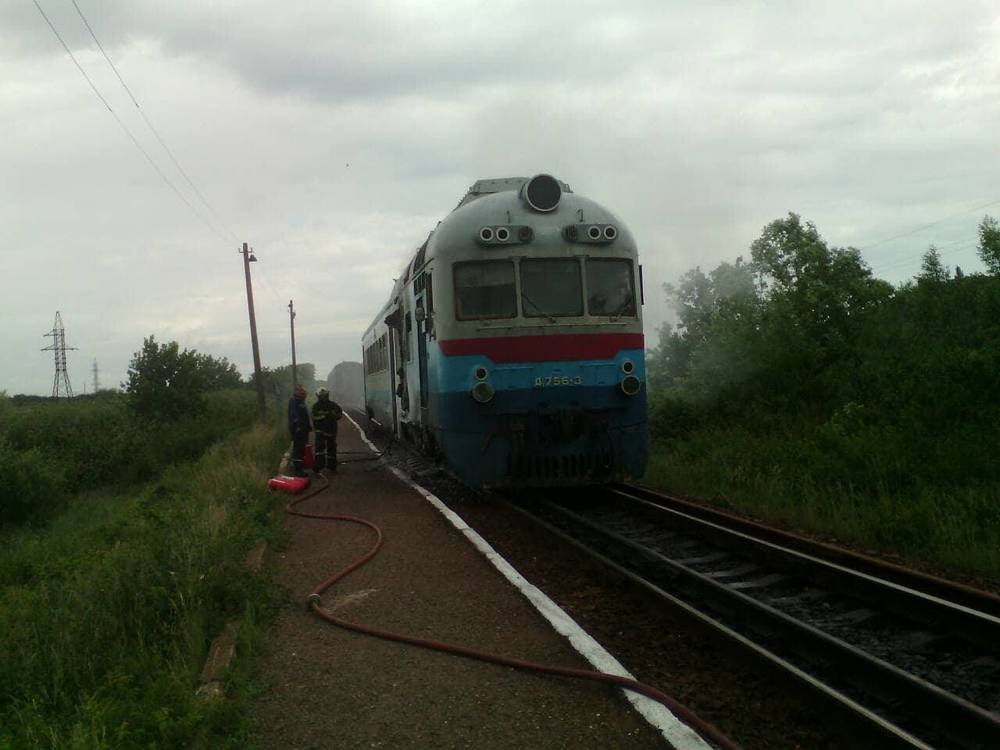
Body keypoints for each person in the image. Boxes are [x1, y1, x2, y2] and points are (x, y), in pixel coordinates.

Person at [311, 387, 344, 474]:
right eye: (322, 396)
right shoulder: (316, 406)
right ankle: (318, 466)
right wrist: (324, 416)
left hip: (331, 430)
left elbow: (340, 414)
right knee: (319, 449)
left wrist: (334, 415)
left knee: (332, 448)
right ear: (318, 396)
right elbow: (314, 417)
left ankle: (332, 466)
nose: (324, 397)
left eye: (325, 395)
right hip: (320, 431)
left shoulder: (333, 405)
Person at [287, 384, 312, 477]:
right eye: (299, 390)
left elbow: (304, 415)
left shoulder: (300, 401)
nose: (302, 391)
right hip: (298, 429)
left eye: (302, 389)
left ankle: (300, 468)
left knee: (301, 448)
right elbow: (294, 415)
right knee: (298, 449)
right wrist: (297, 426)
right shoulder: (294, 400)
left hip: (303, 428)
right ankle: (298, 470)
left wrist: (307, 427)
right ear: (295, 391)